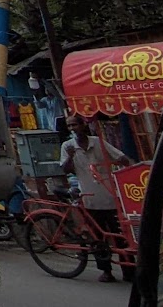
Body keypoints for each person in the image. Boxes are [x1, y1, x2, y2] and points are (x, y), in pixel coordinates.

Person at [60, 114, 132, 283]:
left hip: (110, 197)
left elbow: (122, 158)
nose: (72, 129)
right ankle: (106, 271)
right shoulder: (68, 146)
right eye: (69, 127)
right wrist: (70, 156)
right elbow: (66, 169)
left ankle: (128, 270)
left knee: (121, 237)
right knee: (98, 239)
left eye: (74, 125)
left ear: (83, 125)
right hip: (89, 199)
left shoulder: (98, 142)